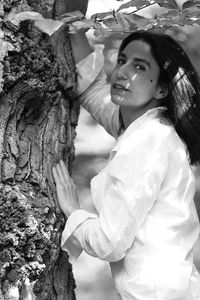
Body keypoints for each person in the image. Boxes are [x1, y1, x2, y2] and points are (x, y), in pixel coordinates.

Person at [52, 29, 200, 299]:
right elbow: (96, 92)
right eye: (122, 60)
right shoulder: (150, 127)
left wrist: (74, 212)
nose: (122, 73)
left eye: (139, 67)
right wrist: (73, 28)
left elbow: (110, 242)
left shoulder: (146, 142)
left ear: (162, 88)